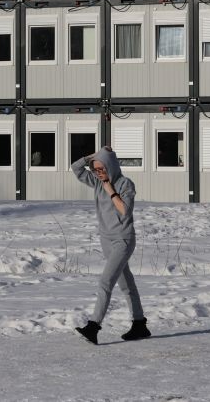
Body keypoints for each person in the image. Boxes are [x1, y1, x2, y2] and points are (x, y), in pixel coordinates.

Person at [70, 146, 151, 344]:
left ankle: (93, 326)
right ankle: (139, 324)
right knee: (126, 284)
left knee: (105, 282)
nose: (98, 173)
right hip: (106, 239)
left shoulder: (125, 184)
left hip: (123, 240)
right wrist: (93, 155)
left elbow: (125, 211)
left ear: (111, 166)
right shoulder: (97, 182)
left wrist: (111, 190)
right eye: (95, 169)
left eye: (102, 168)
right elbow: (76, 168)